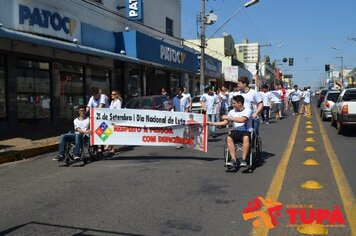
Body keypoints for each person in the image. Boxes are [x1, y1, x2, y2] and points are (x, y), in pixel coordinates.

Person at [208, 95, 252, 167]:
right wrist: (212, 123)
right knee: (229, 138)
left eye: (234, 103)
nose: (232, 105)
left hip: (246, 131)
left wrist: (229, 117)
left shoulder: (248, 110)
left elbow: (242, 120)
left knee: (246, 138)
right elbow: (224, 122)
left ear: (240, 103)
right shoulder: (232, 112)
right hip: (236, 131)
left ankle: (243, 159)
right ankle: (233, 159)